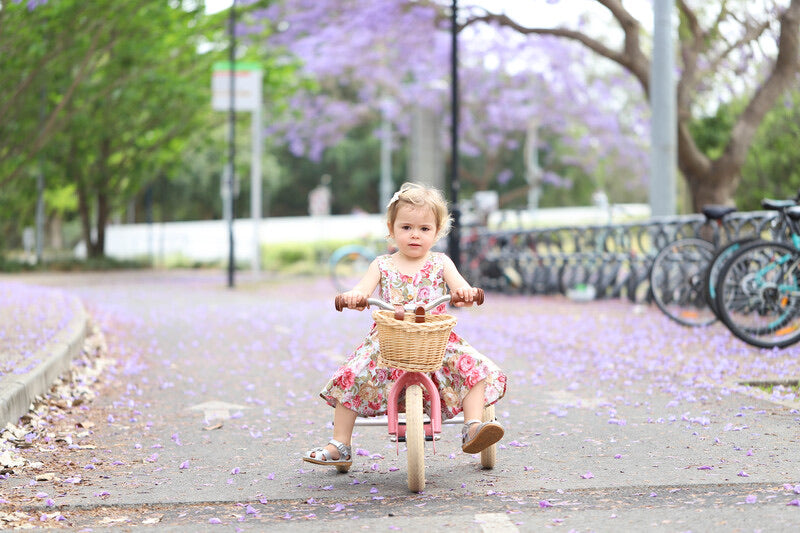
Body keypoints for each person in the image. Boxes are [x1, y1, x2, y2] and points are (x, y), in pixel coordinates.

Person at [303, 182, 507, 468]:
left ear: (437, 232)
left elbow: (461, 293)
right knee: (350, 375)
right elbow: (363, 289)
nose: (415, 235)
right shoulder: (382, 264)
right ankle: (340, 444)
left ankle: (473, 426)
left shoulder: (441, 263)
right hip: (388, 342)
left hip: (436, 342)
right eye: (406, 227)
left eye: (424, 229)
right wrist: (356, 296)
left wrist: (464, 294)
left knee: (475, 368)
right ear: (391, 228)